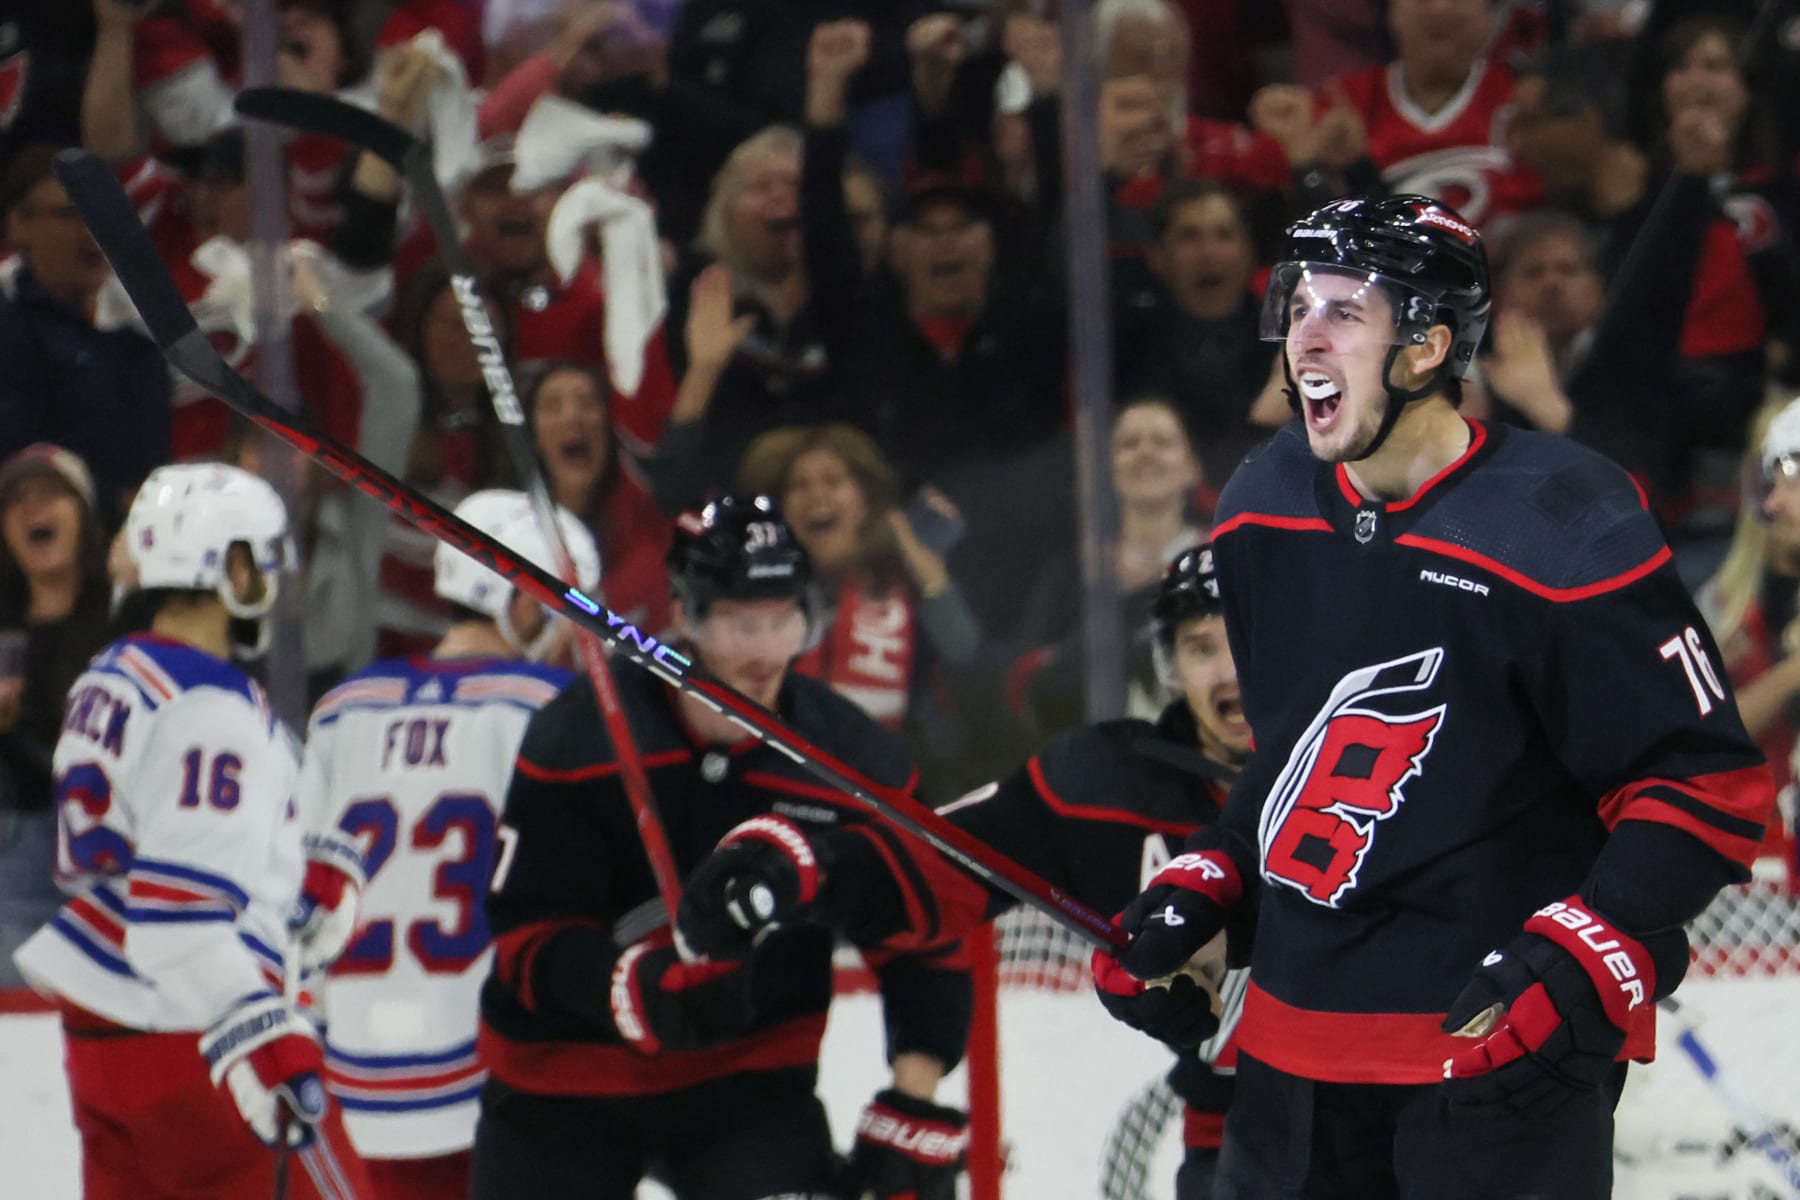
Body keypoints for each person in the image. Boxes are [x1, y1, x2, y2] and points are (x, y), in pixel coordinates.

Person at [1091, 195, 1774, 1198]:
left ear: (1427, 348)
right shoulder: (1260, 507)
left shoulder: (1566, 521)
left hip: (1496, 1055)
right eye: (1299, 304)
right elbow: (1304, 759)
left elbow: (1705, 783)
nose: (1305, 338)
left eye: (1344, 313)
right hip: (1292, 1062)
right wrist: (1220, 874)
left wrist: (1593, 939)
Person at [677, 542, 1251, 1200]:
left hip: (1384, 1108)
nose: (1229, 671)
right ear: (1170, 663)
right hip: (1238, 1142)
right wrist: (805, 865)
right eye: (1202, 646)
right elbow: (943, 862)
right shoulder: (1109, 785)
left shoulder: (1366, 769)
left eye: (1247, 637)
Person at [471, 494, 979, 1200]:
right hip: (563, 1079)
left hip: (750, 1082)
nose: (767, 651)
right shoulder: (579, 735)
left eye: (783, 621)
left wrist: (914, 1092)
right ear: (685, 614)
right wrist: (627, 992)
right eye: (741, 623)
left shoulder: (847, 758)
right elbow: (525, 936)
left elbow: (925, 923)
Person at [11, 462, 375, 1198]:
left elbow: (161, 853)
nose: (271, 576)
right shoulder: (211, 710)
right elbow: (178, 921)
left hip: (103, 1044)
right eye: (261, 555)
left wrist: (290, 894)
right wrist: (262, 1036)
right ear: (228, 562)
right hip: (194, 1039)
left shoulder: (110, 676)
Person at [296, 489, 595, 1200]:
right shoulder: (551, 708)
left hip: (350, 1073)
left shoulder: (342, 711)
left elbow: (296, 900)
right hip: (494, 1078)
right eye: (563, 610)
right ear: (521, 605)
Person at [0, 445, 114, 988]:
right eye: (17, 501)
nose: (32, 510)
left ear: (85, 514)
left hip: (107, 847)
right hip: (16, 842)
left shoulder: (125, 620)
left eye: (51, 495)